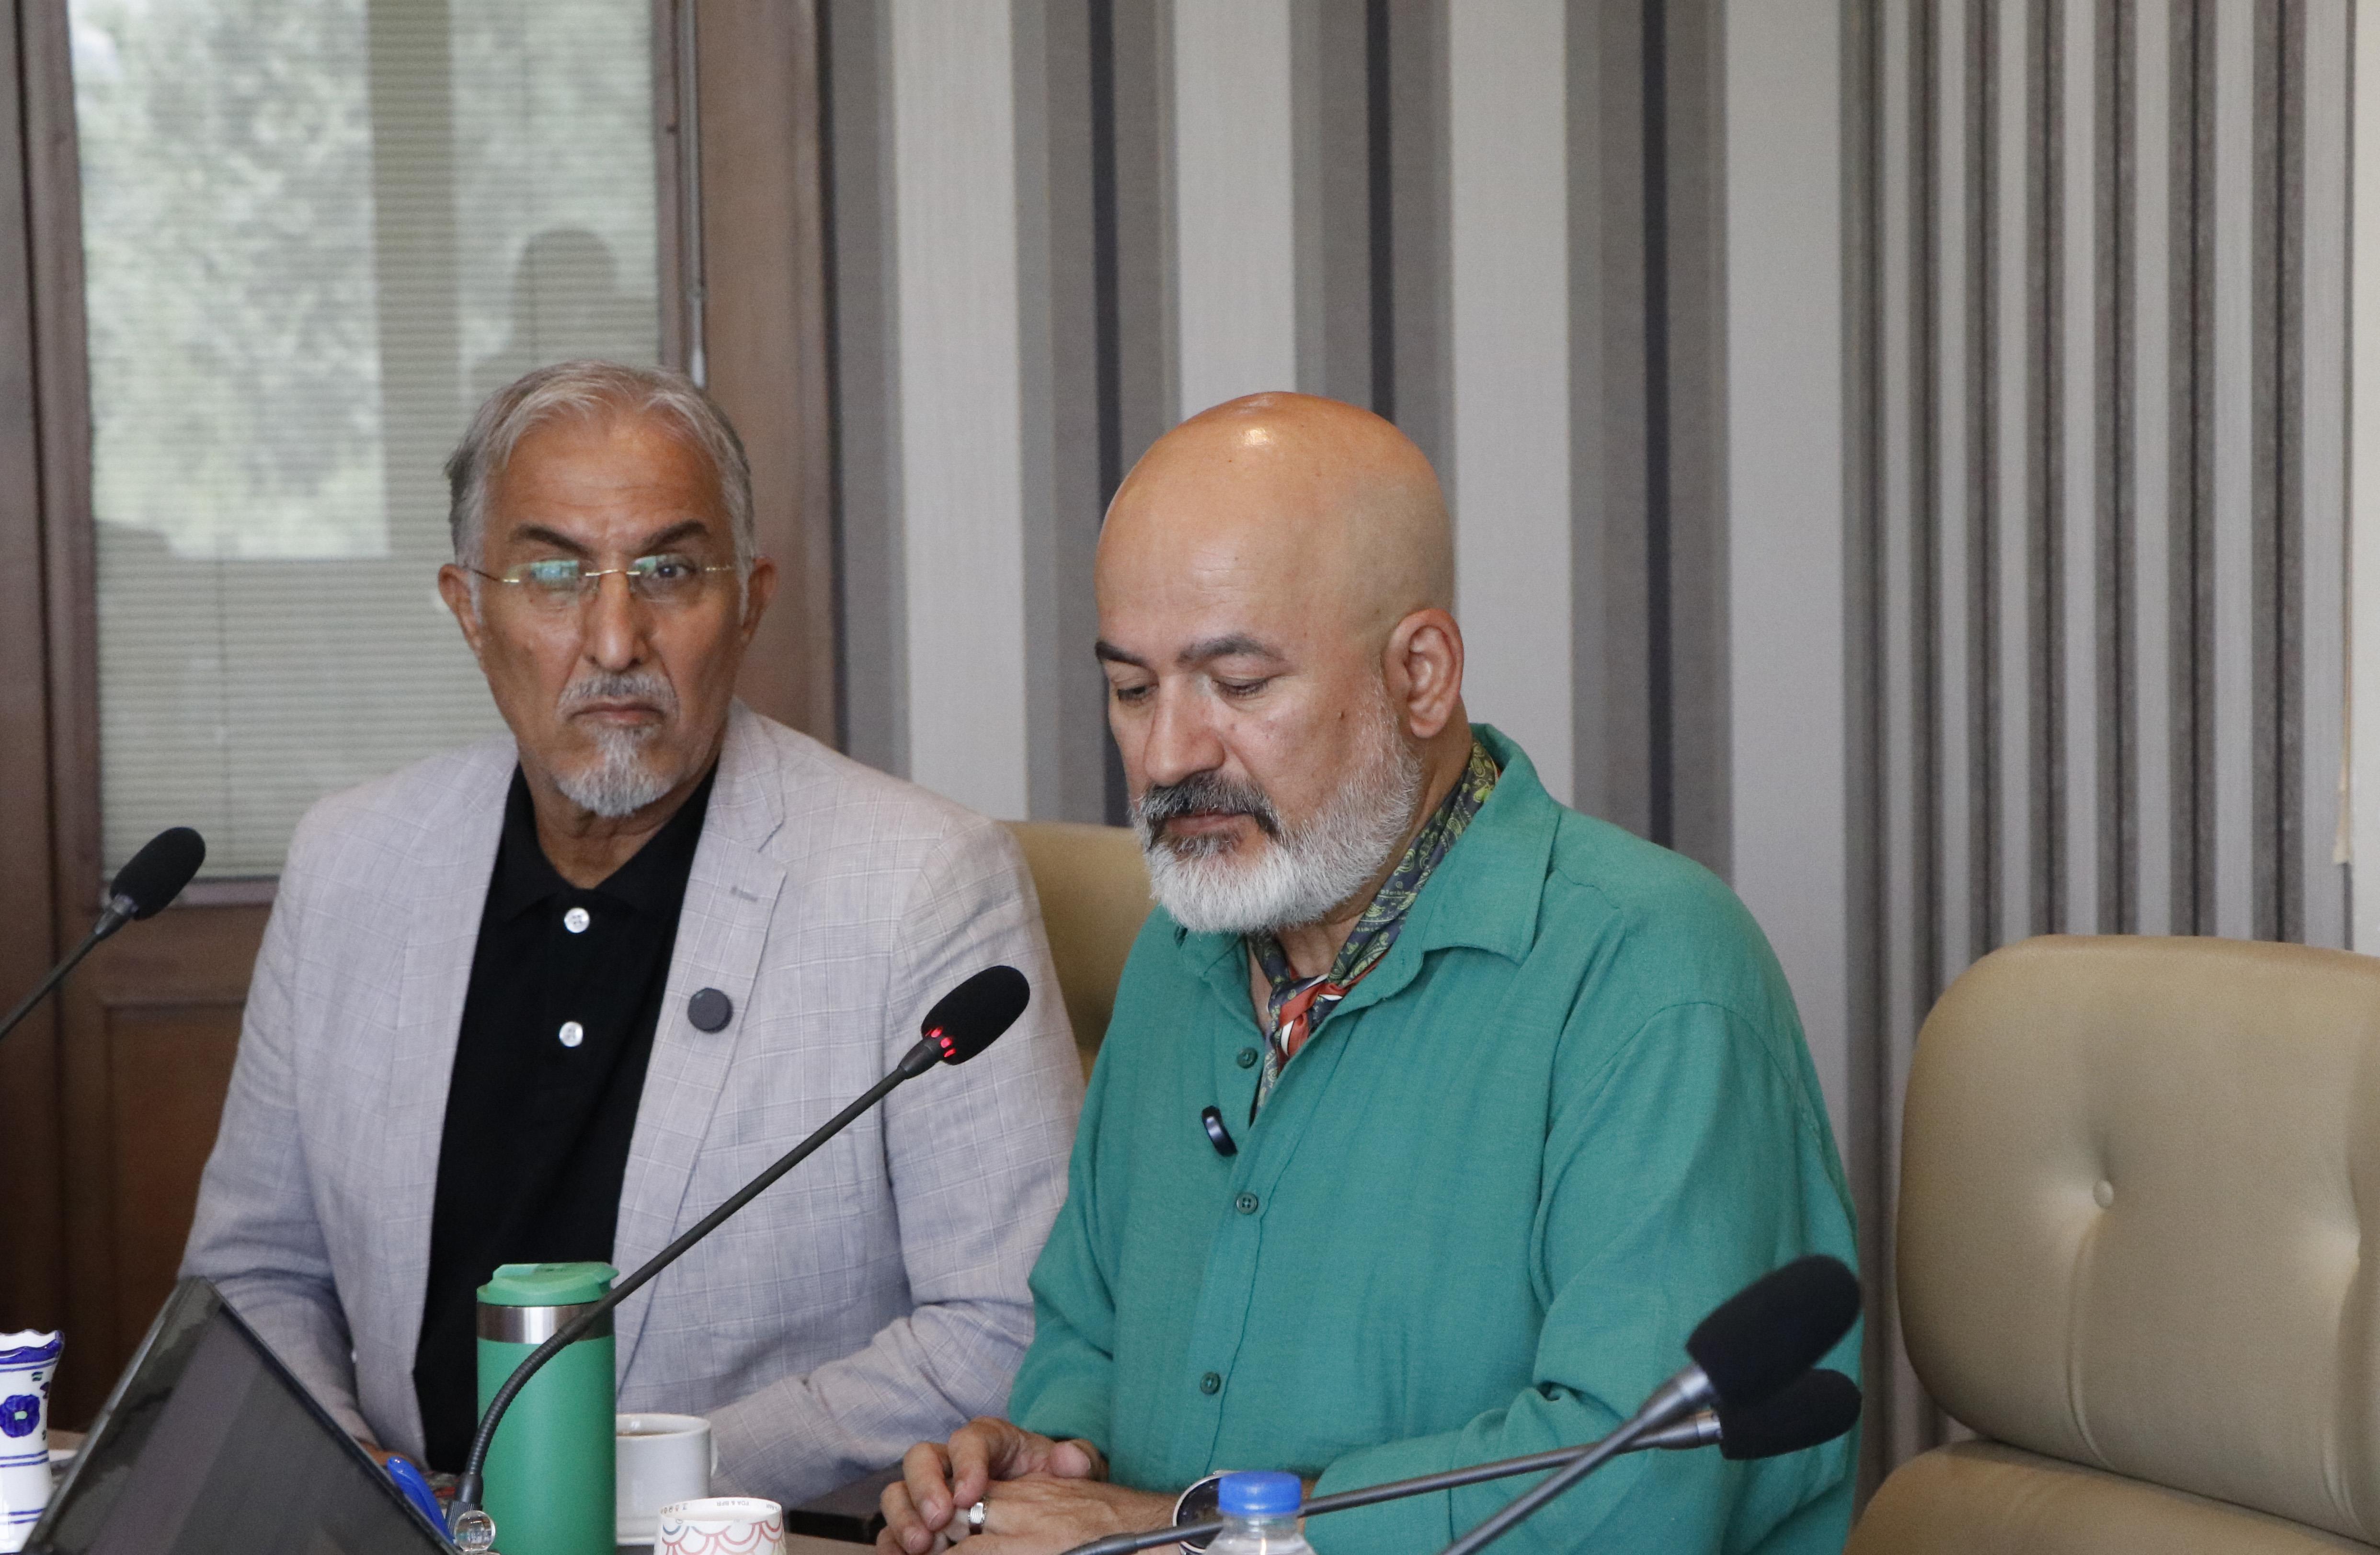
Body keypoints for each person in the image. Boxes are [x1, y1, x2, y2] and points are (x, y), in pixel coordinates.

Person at [879, 394, 1858, 1555]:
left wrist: (1175, 1534)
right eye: (1133, 690)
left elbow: (1639, 1488)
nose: (1168, 754)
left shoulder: (1650, 972)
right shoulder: (1180, 954)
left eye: (1240, 684)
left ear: (1421, 674)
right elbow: (1088, 1335)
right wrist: (1048, 1457)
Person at [182, 360, 1085, 1504]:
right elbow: (254, 1273)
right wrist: (349, 1480)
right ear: (469, 608)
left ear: (749, 600)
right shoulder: (351, 864)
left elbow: (1004, 1324)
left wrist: (609, 1489)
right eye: (554, 574)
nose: (616, 641)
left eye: (668, 571)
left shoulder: (921, 883)